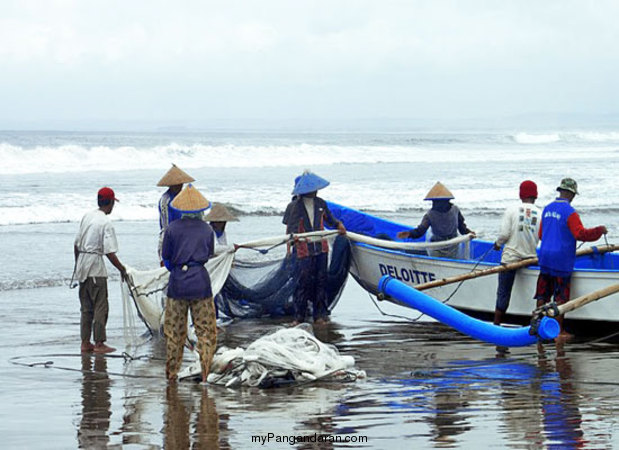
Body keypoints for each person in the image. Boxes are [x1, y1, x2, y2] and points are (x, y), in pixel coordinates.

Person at [535, 178, 607, 339]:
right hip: (561, 260)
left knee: (543, 294)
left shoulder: (547, 209)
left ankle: (538, 326)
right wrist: (598, 231)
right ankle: (559, 330)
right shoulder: (570, 212)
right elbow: (580, 234)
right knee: (561, 297)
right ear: (570, 193)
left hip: (545, 256)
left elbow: (541, 234)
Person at [162, 184, 217, 382]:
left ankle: (172, 374)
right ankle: (205, 373)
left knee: (174, 332)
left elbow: (166, 257)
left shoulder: (171, 229)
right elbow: (209, 253)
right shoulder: (207, 229)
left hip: (177, 284)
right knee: (206, 332)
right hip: (200, 283)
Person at [284, 171, 346, 325]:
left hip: (321, 248)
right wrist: (291, 243)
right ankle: (299, 316)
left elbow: (330, 220)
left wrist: (338, 225)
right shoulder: (294, 207)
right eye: (313, 188)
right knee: (302, 282)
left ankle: (319, 315)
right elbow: (290, 229)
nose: (316, 191)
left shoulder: (320, 203)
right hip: (303, 250)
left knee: (321, 281)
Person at [73, 187, 126, 353]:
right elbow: (109, 251)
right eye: (113, 203)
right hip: (96, 268)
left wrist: (78, 266)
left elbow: (76, 245)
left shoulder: (87, 216)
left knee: (86, 307)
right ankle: (99, 343)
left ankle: (85, 342)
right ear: (110, 203)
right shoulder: (105, 222)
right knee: (100, 306)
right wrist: (122, 269)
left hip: (82, 266)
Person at [492, 180, 541, 326]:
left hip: (511, 258)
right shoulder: (540, 213)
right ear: (535, 196)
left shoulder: (511, 210)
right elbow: (542, 236)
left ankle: (496, 325)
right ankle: (533, 323)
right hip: (530, 259)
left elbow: (504, 234)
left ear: (521, 194)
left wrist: (497, 244)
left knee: (503, 293)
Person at [397, 182, 475, 258]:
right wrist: (410, 234)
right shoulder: (452, 210)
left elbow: (420, 231)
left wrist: (468, 232)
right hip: (442, 247)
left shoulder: (433, 214)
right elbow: (462, 228)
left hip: (448, 247)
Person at [157, 164, 195, 264]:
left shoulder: (183, 197)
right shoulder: (165, 200)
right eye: (177, 184)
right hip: (169, 238)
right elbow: (166, 226)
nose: (180, 186)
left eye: (181, 184)